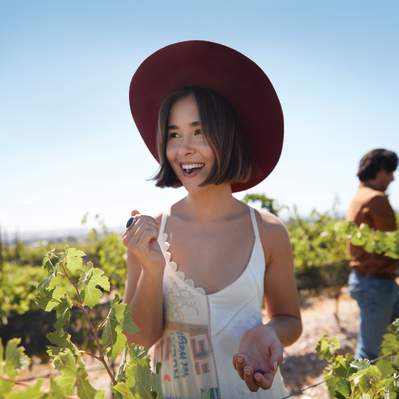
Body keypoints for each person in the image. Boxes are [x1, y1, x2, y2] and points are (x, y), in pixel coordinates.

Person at [122, 40, 302, 398]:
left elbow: (291, 321)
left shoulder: (267, 231)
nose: (183, 148)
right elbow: (140, 336)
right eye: (173, 134)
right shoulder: (150, 233)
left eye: (199, 131)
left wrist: (268, 333)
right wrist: (152, 269)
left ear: (228, 136)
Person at [347, 148, 399, 360]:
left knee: (385, 344)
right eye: (390, 172)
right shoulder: (377, 199)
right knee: (369, 353)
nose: (393, 178)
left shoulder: (358, 197)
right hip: (377, 285)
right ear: (379, 171)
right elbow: (392, 246)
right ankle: (360, 392)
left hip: (366, 281)